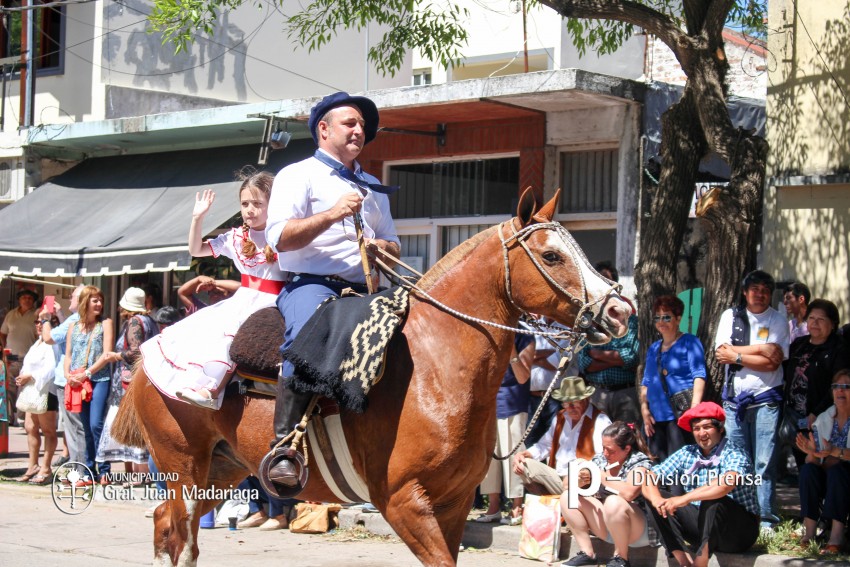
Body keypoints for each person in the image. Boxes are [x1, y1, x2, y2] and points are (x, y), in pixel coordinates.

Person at [264, 91, 400, 489]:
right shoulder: (297, 174)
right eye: (351, 123)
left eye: (362, 126)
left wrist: (381, 249)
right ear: (323, 129)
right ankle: (284, 447)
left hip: (366, 288)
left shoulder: (372, 184)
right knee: (308, 337)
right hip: (311, 285)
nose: (360, 131)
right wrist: (332, 214)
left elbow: (393, 245)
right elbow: (280, 239)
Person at [141, 170, 288, 410]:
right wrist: (198, 218)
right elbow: (197, 250)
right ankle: (208, 387)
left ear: (274, 204)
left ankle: (213, 387)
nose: (250, 209)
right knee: (212, 331)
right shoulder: (236, 237)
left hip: (276, 300)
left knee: (233, 331)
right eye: (245, 203)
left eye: (258, 203)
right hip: (244, 299)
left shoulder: (285, 234)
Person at [714, 269, 789, 529]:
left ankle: (766, 519)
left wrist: (736, 355)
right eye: (755, 289)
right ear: (745, 293)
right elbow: (721, 352)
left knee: (763, 462)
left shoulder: (778, 320)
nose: (760, 294)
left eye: (765, 290)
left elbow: (773, 364)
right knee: (737, 462)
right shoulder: (730, 317)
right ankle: (742, 516)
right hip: (735, 402)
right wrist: (761, 349)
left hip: (766, 400)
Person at [642, 402, 760, 567]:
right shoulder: (687, 452)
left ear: (719, 428)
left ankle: (701, 562)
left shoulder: (734, 452)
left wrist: (684, 499)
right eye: (696, 429)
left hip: (737, 532)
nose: (701, 433)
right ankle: (683, 561)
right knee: (656, 499)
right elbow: (649, 477)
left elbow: (725, 485)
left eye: (707, 427)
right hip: (702, 528)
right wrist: (656, 501)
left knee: (713, 499)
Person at [560, 421, 655, 567]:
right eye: (604, 448)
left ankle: (621, 558)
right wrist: (578, 478)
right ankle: (587, 554)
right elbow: (565, 485)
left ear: (627, 449)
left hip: (638, 531)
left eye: (610, 450)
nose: (605, 453)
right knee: (568, 496)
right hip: (610, 528)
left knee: (613, 501)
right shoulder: (601, 459)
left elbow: (629, 493)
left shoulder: (639, 462)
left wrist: (600, 476)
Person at [512, 376, 611, 496]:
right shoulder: (560, 417)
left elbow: (604, 457)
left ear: (586, 399)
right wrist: (524, 454)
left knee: (578, 469)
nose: (570, 408)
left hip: (582, 480)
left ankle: (567, 503)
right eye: (566, 403)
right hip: (557, 475)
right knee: (523, 464)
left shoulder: (600, 420)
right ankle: (553, 503)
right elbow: (545, 445)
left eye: (574, 403)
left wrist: (582, 472)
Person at [475, 334, 533, 526]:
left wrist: (512, 353)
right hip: (490, 403)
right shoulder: (491, 333)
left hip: (514, 403)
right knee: (490, 457)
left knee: (513, 455)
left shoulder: (525, 336)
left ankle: (516, 506)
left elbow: (523, 377)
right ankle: (493, 507)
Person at [784, 299, 849, 470]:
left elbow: (838, 385)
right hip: (794, 415)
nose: (815, 323)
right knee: (802, 465)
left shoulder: (839, 349)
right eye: (812, 318)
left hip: (823, 417)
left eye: (821, 319)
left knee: (821, 464)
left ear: (833, 324)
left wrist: (816, 413)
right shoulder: (799, 345)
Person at [96, 287, 158, 468]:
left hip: (129, 382)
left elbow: (135, 351)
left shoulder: (134, 323)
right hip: (144, 379)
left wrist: (115, 356)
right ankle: (140, 473)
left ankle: (139, 474)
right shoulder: (149, 321)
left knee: (132, 428)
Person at [641, 295, 706, 461]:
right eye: (657, 317)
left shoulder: (690, 342)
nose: (661, 321)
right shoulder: (654, 348)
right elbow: (646, 381)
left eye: (666, 317)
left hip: (679, 416)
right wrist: (644, 410)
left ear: (678, 318)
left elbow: (699, 375)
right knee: (657, 468)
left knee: (680, 469)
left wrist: (694, 410)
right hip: (655, 418)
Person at [795, 368, 850, 555]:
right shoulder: (825, 418)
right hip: (830, 473)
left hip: (845, 476)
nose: (840, 391)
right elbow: (816, 459)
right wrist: (811, 453)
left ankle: (836, 536)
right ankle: (809, 533)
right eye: (836, 387)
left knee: (837, 472)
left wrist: (834, 452)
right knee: (808, 470)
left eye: (846, 387)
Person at [65, 285, 114, 484]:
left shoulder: (106, 323)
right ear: (85, 302)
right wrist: (67, 374)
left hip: (98, 379)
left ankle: (104, 470)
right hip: (77, 382)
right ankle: (88, 471)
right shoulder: (73, 327)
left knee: (96, 424)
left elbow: (107, 354)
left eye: (100, 300)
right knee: (85, 427)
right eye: (95, 300)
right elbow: (68, 355)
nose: (99, 304)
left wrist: (87, 373)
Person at [40, 285, 86, 471]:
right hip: (76, 376)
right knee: (77, 426)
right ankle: (83, 467)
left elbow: (49, 338)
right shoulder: (79, 319)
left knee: (74, 427)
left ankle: (80, 469)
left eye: (73, 296)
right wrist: (59, 316)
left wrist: (45, 320)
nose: (70, 298)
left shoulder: (75, 319)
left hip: (66, 378)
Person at [14, 316, 60, 484]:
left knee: (48, 431)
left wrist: (30, 376)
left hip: (46, 390)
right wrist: (22, 376)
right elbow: (28, 364)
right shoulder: (37, 343)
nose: (39, 325)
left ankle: (46, 468)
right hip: (32, 391)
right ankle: (32, 465)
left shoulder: (51, 344)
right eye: (37, 322)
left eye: (42, 322)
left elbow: (50, 369)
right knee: (30, 427)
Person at [577, 312, 641, 424]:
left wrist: (597, 355)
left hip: (626, 393)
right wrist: (617, 360)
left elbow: (631, 357)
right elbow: (585, 365)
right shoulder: (588, 321)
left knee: (628, 434)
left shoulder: (630, 321)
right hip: (597, 393)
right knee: (598, 435)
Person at [1, 289, 39, 421]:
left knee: (25, 386)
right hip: (11, 356)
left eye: (30, 298)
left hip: (28, 357)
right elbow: (3, 333)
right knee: (10, 386)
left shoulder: (36, 315)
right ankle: (10, 417)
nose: (27, 300)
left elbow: (39, 336)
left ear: (33, 301)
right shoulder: (11, 314)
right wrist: (4, 348)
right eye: (24, 298)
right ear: (19, 300)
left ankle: (22, 417)